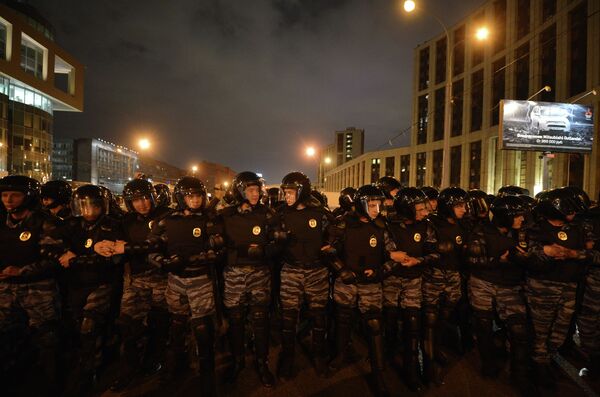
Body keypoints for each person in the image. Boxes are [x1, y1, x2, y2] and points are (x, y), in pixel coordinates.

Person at [147, 176, 223, 396]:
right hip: (175, 281)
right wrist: (163, 263)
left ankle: (207, 375)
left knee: (203, 330)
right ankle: (176, 368)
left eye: (198, 195)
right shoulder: (167, 220)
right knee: (177, 326)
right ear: (181, 197)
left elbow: (219, 246)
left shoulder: (209, 219)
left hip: (200, 280)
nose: (195, 200)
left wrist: (208, 255)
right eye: (190, 196)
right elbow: (151, 248)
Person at [58, 184, 125, 396]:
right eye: (84, 206)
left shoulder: (112, 225)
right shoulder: (69, 226)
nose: (89, 211)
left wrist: (80, 255)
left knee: (90, 324)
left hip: (102, 282)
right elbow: (57, 250)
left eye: (94, 206)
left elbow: (110, 256)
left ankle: (90, 371)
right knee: (77, 326)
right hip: (76, 284)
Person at [0, 176, 62, 396]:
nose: (8, 200)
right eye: (4, 195)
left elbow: (54, 260)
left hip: (38, 289)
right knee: (7, 334)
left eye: (14, 195)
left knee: (46, 337)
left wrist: (22, 271)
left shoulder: (45, 223)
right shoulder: (2, 221)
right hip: (6, 289)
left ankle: (49, 384)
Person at [526, 187, 594, 389]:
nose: (573, 213)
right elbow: (522, 253)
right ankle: (539, 369)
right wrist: (544, 250)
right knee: (540, 330)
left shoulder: (577, 229)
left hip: (569, 287)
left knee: (560, 331)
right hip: (542, 287)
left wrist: (573, 255)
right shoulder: (535, 229)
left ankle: (547, 358)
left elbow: (590, 254)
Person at [328, 185, 391, 396]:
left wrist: (380, 272)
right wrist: (341, 269)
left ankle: (378, 373)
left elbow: (393, 256)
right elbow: (328, 251)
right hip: (347, 281)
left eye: (379, 205)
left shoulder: (382, 226)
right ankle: (340, 354)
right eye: (372, 205)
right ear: (361, 205)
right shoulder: (343, 224)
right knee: (343, 319)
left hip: (371, 283)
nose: (376, 209)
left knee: (374, 324)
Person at [109, 179, 172, 391]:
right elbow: (117, 247)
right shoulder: (126, 222)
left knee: (159, 322)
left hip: (162, 278)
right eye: (136, 200)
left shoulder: (166, 216)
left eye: (145, 198)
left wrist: (129, 248)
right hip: (136, 279)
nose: (142, 204)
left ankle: (155, 360)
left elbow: (163, 244)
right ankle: (128, 367)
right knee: (127, 324)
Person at [219, 171, 281, 387]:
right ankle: (237, 362)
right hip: (234, 274)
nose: (256, 194)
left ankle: (262, 364)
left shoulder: (267, 214)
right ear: (240, 191)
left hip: (259, 274)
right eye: (250, 190)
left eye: (257, 190)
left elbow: (279, 243)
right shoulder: (226, 215)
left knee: (260, 319)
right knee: (235, 320)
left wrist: (264, 251)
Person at [465, 196, 532, 393]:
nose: (521, 219)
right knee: (483, 325)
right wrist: (499, 260)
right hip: (483, 283)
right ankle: (489, 363)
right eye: (517, 215)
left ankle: (519, 374)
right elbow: (471, 259)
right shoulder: (481, 232)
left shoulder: (522, 234)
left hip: (510, 286)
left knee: (519, 329)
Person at [276, 172, 333, 379]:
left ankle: (318, 355)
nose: (287, 196)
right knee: (289, 318)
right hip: (291, 270)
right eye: (285, 192)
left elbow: (333, 236)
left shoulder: (321, 214)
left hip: (317, 271)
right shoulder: (280, 214)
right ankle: (288, 357)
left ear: (301, 192)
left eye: (290, 192)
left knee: (319, 316)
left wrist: (331, 247)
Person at [384, 187, 438, 391]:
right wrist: (392, 257)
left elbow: (435, 253)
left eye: (426, 208)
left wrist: (419, 260)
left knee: (412, 325)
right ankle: (387, 357)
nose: (425, 212)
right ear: (406, 209)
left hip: (414, 280)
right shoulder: (388, 226)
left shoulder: (427, 227)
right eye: (420, 209)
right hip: (391, 279)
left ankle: (411, 370)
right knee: (388, 320)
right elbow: (381, 250)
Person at [423, 187, 468, 384]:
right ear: (448, 206)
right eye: (459, 205)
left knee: (444, 316)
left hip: (454, 276)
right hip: (434, 275)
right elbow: (421, 247)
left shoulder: (463, 225)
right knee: (430, 318)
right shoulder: (431, 224)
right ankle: (428, 362)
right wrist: (434, 249)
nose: (464, 209)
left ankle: (437, 347)